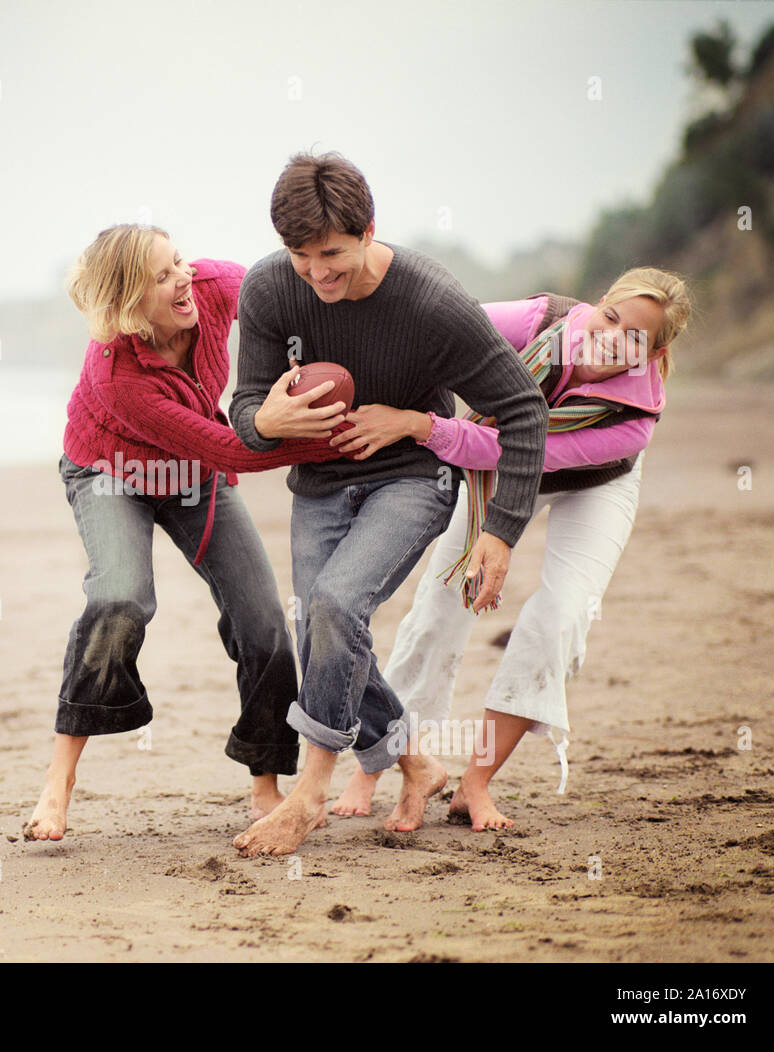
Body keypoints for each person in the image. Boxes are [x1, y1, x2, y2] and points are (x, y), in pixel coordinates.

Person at [227, 152, 549, 857]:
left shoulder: (429, 302)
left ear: (370, 230)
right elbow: (244, 409)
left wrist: (500, 530)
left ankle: (310, 792)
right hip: (319, 482)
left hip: (413, 476)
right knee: (324, 629)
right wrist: (268, 422)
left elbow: (523, 410)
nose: (317, 272)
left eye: (332, 253)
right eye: (300, 255)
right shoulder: (270, 288)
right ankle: (416, 763)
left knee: (337, 607)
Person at [23, 223, 360, 842]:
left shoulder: (212, 286)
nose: (185, 278)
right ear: (128, 303)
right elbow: (235, 448)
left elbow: (291, 284)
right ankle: (59, 779)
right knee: (119, 597)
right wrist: (287, 427)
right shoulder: (117, 378)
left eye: (177, 261)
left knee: (262, 619)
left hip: (194, 472)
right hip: (110, 471)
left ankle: (266, 779)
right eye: (162, 276)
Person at [329, 268, 692, 830]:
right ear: (598, 304)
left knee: (564, 613)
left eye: (635, 337)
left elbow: (515, 454)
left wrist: (419, 426)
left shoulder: (633, 423)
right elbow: (435, 329)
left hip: (583, 475)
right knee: (440, 600)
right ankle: (383, 764)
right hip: (498, 451)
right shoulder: (537, 321)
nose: (611, 336)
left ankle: (477, 780)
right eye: (611, 316)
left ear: (655, 351)